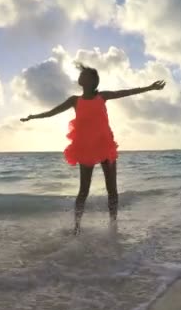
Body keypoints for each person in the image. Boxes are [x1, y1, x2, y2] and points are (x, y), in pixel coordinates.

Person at [20, 63, 166, 234]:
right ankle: (77, 226)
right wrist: (33, 117)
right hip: (85, 148)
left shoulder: (102, 96)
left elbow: (125, 92)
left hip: (104, 145)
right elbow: (54, 111)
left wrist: (150, 87)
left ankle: (113, 224)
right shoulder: (75, 100)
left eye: (83, 74)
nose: (80, 76)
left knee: (112, 189)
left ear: (91, 80)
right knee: (84, 190)